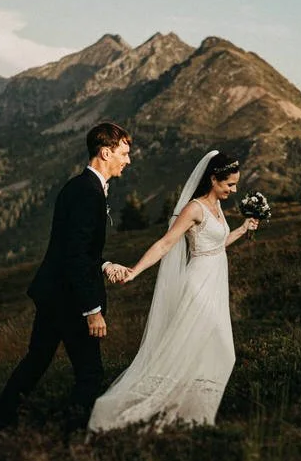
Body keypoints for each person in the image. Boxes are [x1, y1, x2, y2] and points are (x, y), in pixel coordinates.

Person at [87, 150, 258, 433]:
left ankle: (193, 420)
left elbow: (214, 246)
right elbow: (165, 244)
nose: (234, 190)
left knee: (207, 354)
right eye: (229, 184)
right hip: (199, 286)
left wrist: (241, 230)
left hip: (215, 284)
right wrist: (134, 271)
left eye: (236, 184)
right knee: (218, 352)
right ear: (213, 179)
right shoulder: (194, 209)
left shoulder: (217, 208)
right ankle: (152, 416)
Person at [0, 122, 133, 430]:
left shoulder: (79, 186)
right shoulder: (89, 193)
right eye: (124, 153)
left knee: (37, 360)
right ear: (105, 152)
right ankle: (71, 435)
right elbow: (75, 255)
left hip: (53, 293)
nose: (128, 160)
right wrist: (92, 311)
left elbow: (76, 248)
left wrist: (105, 265)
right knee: (90, 374)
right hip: (71, 300)